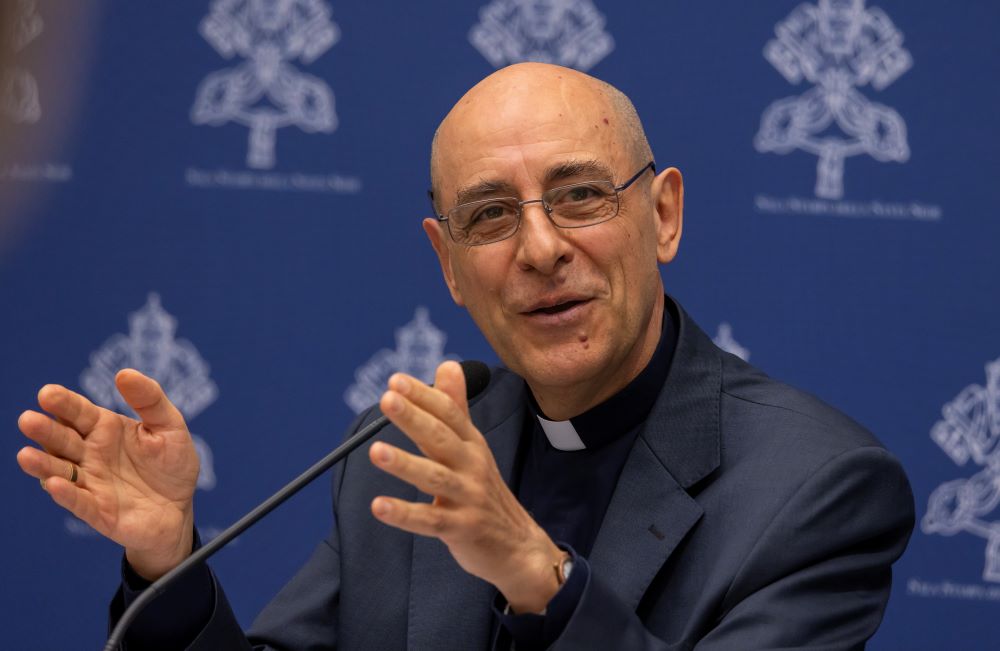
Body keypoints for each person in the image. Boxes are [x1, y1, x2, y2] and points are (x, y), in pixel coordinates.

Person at [16, 63, 915, 650]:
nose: (540, 249)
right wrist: (167, 562)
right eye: (490, 216)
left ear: (664, 215)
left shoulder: (818, 486)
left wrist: (543, 578)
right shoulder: (410, 451)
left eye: (580, 196)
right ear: (448, 264)